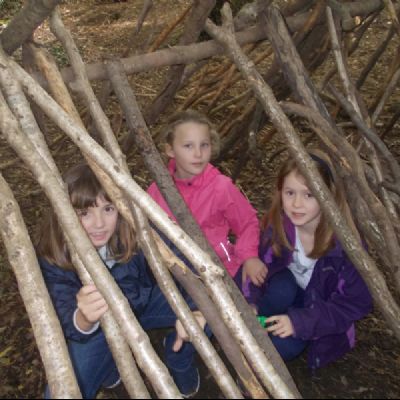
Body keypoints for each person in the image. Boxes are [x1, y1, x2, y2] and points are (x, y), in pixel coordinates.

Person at [36, 163, 206, 399]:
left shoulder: (136, 228)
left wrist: (197, 311)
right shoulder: (54, 254)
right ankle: (111, 371)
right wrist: (83, 319)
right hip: (101, 329)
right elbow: (61, 306)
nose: (99, 223)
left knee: (214, 315)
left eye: (108, 209)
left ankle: (179, 360)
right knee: (64, 388)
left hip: (143, 303)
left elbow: (181, 261)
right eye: (84, 213)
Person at [245, 150, 373, 370]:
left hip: (319, 307)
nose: (296, 204)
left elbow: (356, 303)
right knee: (281, 288)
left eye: (309, 195)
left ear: (328, 196)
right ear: (280, 192)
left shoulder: (346, 247)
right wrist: (251, 303)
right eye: (290, 193)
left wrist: (299, 322)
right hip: (288, 291)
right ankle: (253, 327)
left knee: (286, 346)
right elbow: (258, 265)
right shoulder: (278, 225)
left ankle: (258, 364)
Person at [147, 109, 267, 288]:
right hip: (175, 272)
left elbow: (247, 221)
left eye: (204, 145)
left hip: (220, 268)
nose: (198, 154)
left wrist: (249, 256)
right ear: (170, 150)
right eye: (188, 146)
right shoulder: (158, 190)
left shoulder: (220, 187)